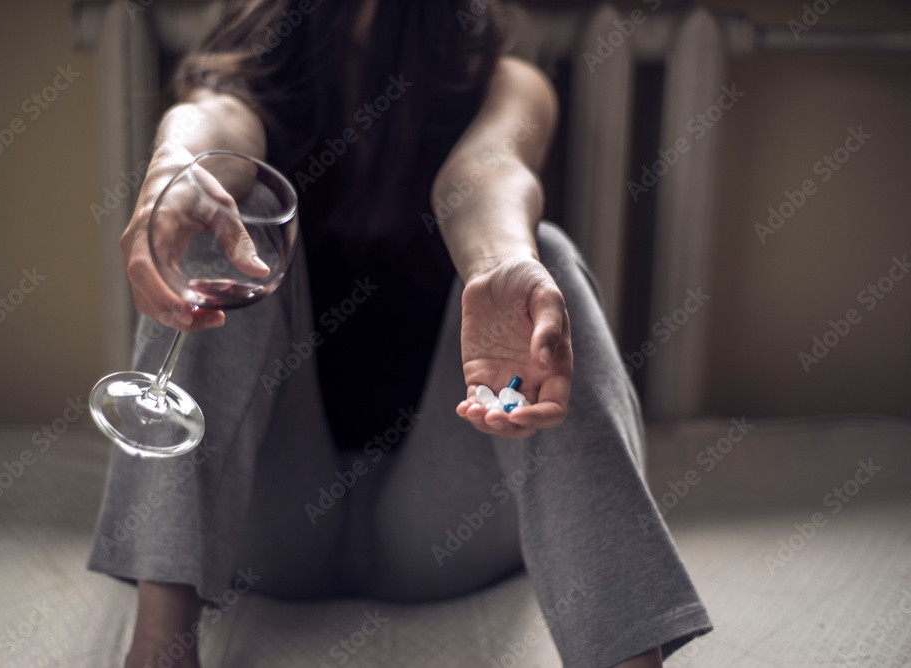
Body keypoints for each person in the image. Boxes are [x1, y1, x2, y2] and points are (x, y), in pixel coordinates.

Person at [88, 1, 713, 666]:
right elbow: (215, 123)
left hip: (444, 525)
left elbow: (486, 173)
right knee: (219, 212)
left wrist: (503, 262)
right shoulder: (258, 59)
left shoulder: (504, 80)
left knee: (543, 264)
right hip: (271, 518)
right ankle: (159, 649)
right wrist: (177, 166)